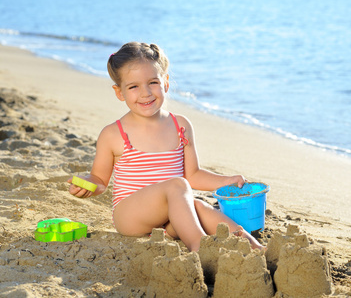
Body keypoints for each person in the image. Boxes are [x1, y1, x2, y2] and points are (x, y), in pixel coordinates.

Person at [68, 41, 263, 252]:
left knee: (199, 207)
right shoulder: (113, 134)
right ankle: (200, 249)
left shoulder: (181, 126)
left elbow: (193, 175)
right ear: (120, 92)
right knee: (178, 186)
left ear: (166, 83)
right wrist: (88, 185)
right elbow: (99, 179)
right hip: (132, 216)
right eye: (133, 86)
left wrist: (227, 181)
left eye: (153, 82)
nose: (145, 93)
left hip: (169, 218)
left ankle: (255, 248)